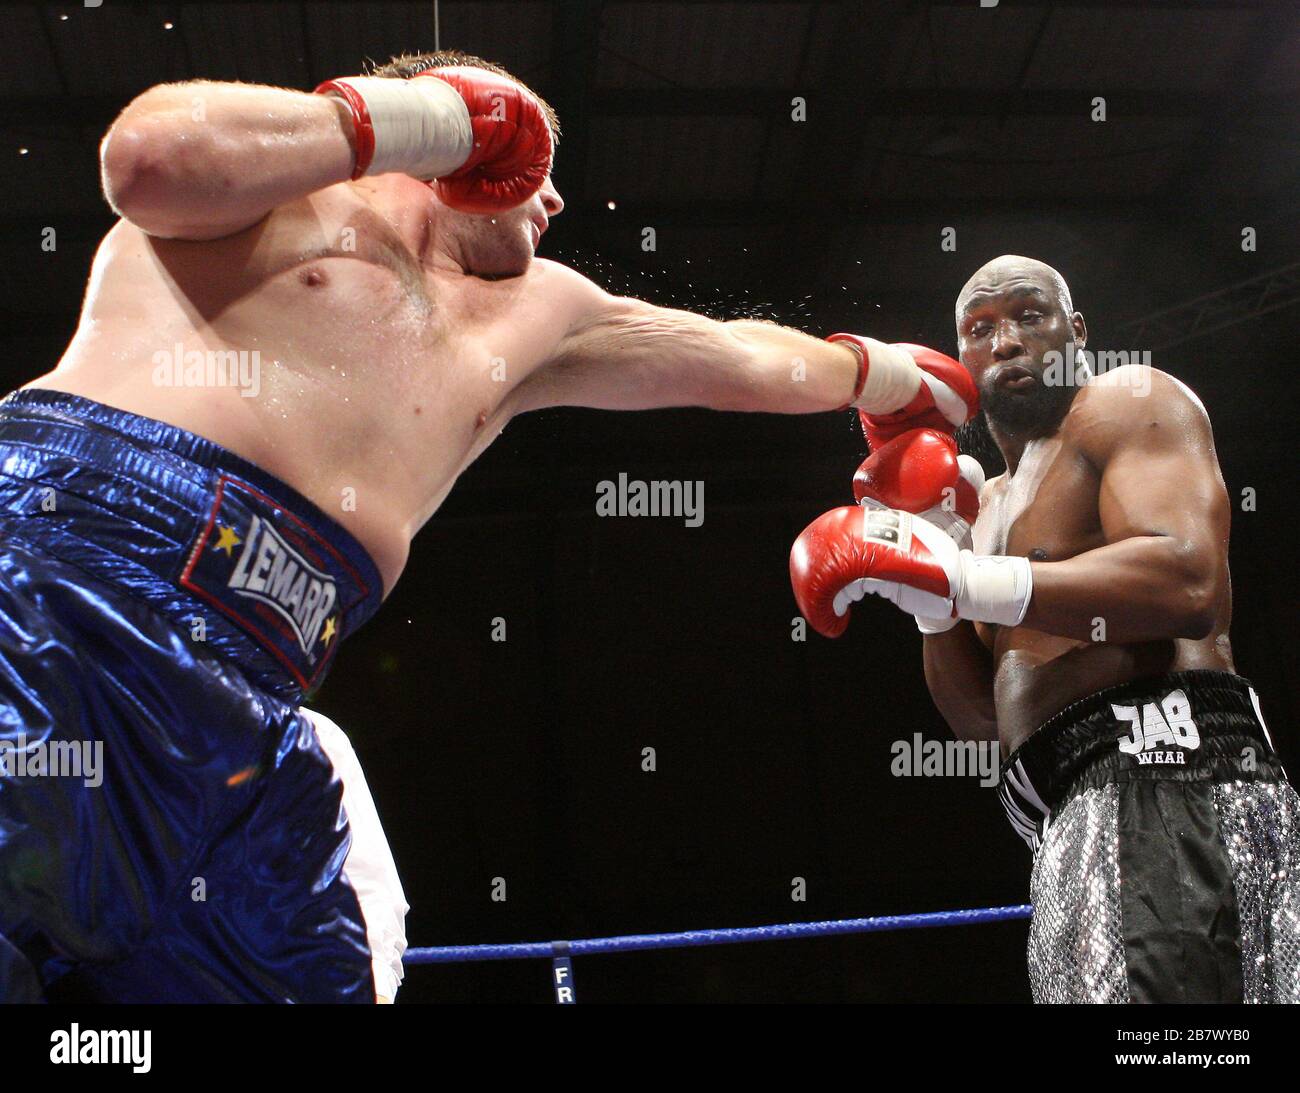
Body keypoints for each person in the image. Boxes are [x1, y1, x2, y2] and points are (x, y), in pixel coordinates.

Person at [0, 49, 975, 1002]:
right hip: (66, 556)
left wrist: (889, 377)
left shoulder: (537, 317)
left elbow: (737, 361)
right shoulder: (282, 191)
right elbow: (149, 159)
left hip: (253, 693)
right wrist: (439, 114)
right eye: (544, 167)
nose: (554, 205)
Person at [791, 255, 1299, 1003]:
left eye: (1032, 315)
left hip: (1168, 781)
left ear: (1077, 331)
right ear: (961, 356)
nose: (1005, 341)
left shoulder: (1128, 402)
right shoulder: (984, 503)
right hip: (1064, 818)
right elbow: (987, 722)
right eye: (980, 327)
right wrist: (935, 598)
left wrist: (965, 580)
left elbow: (1186, 581)